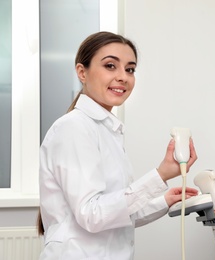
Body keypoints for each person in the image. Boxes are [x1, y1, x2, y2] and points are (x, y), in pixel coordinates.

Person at [37, 31, 198, 259]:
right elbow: (92, 215)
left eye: (130, 69)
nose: (123, 76)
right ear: (82, 72)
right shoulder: (74, 127)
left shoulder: (106, 130)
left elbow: (115, 215)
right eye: (111, 66)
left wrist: (163, 200)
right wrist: (159, 175)